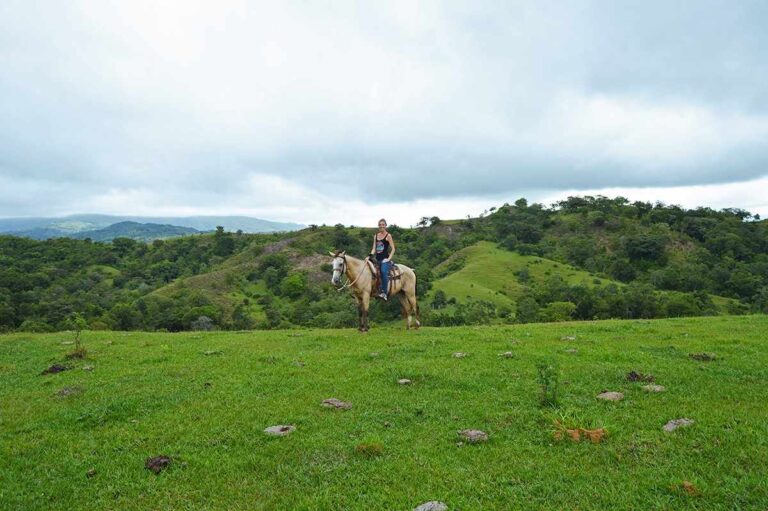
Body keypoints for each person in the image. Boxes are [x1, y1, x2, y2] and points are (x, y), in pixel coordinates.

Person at [370, 218, 396, 300]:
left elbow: (393, 248)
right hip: (377, 259)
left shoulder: (388, 235)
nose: (381, 226)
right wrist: (369, 255)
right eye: (380, 225)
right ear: (378, 226)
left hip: (385, 260)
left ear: (385, 226)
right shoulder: (376, 236)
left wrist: (388, 259)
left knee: (383, 272)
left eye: (383, 225)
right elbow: (374, 248)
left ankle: (384, 292)